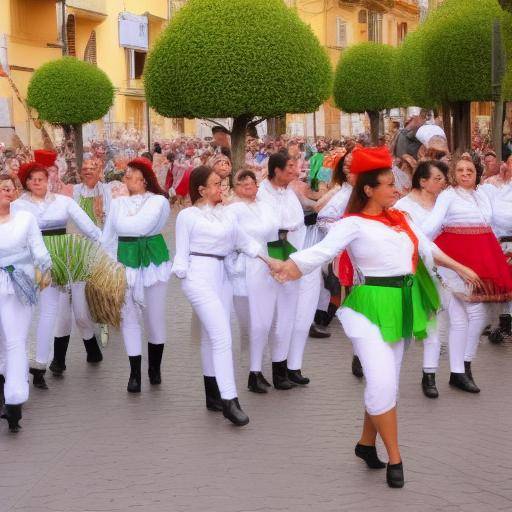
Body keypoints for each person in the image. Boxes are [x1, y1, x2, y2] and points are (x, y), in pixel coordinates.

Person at [272, 146, 479, 488]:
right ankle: (396, 458)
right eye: (388, 184)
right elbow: (322, 251)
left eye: (395, 184)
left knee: (386, 382)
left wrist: (460, 266)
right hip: (369, 307)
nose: (396, 189)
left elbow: (427, 249)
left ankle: (365, 443)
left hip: (403, 304)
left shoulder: (401, 219)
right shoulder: (352, 223)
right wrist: (290, 266)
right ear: (368, 189)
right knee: (383, 383)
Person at [172, 166, 272, 426]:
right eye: (216, 184)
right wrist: (181, 274)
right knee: (221, 336)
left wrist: (272, 262)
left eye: (222, 183)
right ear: (202, 189)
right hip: (199, 276)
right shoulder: (188, 215)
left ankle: (213, 395)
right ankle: (230, 399)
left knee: (210, 336)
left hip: (222, 276)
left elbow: (247, 242)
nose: (222, 187)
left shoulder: (227, 215)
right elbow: (181, 255)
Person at [422, 156, 512, 392]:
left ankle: (460, 370)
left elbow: (495, 220)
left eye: (469, 170)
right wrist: (417, 244)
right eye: (460, 170)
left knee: (464, 319)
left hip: (482, 257)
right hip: (454, 259)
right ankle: (461, 367)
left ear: (476, 173)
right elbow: (432, 224)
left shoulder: (482, 195)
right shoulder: (448, 196)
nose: (464, 174)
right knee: (476, 312)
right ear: (454, 174)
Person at [12, 162, 101, 390]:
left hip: (57, 263)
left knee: (49, 312)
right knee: (25, 313)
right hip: (28, 262)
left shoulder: (64, 202)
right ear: (26, 183)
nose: (37, 183)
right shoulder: (18, 206)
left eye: (41, 178)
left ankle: (40, 364)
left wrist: (106, 251)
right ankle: (17, 364)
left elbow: (89, 228)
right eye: (32, 179)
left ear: (49, 179)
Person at [100, 158, 171, 393]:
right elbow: (108, 236)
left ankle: (155, 369)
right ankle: (134, 374)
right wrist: (108, 266)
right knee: (128, 317)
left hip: (152, 263)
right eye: (126, 173)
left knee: (154, 318)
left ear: (144, 178)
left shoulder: (158, 201)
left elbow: (140, 227)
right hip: (126, 264)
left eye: (130, 173)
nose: (126, 177)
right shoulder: (118, 203)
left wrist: (125, 225)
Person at [49, 159, 125, 375]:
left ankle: (92, 349)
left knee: (82, 312)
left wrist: (109, 254)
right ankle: (59, 360)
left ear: (100, 170)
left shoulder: (109, 192)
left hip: (95, 252)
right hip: (67, 254)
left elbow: (111, 225)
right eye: (84, 169)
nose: (88, 172)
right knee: (64, 309)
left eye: (93, 168)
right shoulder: (72, 192)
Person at [0, 174, 52, 432]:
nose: (6, 191)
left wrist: (46, 268)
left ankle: (14, 400)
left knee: (15, 340)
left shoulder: (25, 219)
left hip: (18, 283)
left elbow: (38, 248)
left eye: (10, 188)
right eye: (2, 187)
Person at [395, 160, 448, 398]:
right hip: (412, 271)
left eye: (443, 178)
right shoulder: (403, 206)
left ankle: (430, 375)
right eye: (437, 178)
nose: (442, 182)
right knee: (402, 324)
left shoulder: (445, 202)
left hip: (442, 269)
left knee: (434, 322)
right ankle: (370, 361)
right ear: (422, 181)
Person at [257, 152, 309, 387]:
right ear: (276, 170)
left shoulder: (289, 192)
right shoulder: (261, 192)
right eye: (289, 166)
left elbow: (297, 221)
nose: (294, 170)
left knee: (289, 312)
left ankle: (284, 367)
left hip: (293, 254)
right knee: (269, 315)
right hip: (270, 256)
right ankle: (260, 369)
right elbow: (269, 223)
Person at [226, 170, 280, 393]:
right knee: (250, 322)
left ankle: (257, 370)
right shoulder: (232, 209)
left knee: (264, 320)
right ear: (235, 186)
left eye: (252, 182)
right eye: (243, 182)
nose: (249, 185)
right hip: (243, 266)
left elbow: (272, 233)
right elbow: (232, 237)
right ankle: (252, 370)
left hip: (265, 264)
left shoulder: (264, 206)